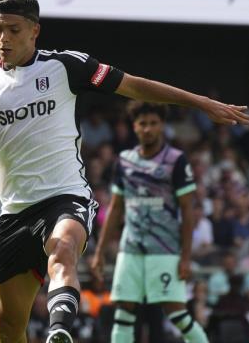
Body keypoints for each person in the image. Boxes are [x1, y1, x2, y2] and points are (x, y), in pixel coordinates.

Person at [0, 0, 249, 343]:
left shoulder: (64, 67)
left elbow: (135, 86)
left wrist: (201, 102)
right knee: (8, 325)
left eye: (13, 30)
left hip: (65, 196)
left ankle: (59, 332)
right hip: (15, 211)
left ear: (34, 31)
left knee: (62, 251)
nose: (3, 39)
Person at [90, 102, 209, 342]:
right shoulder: (124, 160)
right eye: (143, 124)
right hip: (130, 249)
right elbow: (115, 208)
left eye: (153, 123)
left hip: (164, 249)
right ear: (135, 126)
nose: (148, 129)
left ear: (162, 126)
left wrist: (186, 256)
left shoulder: (176, 160)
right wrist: (100, 251)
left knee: (178, 315)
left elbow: (187, 211)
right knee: (123, 314)